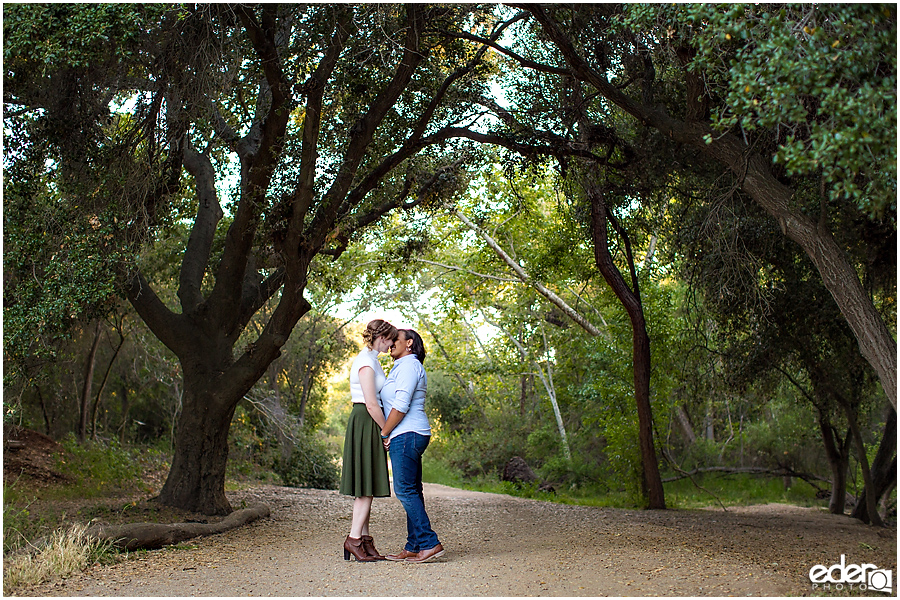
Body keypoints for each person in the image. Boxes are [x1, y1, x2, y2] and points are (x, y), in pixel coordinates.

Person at [380, 328, 445, 563]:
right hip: (409, 433)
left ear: (408, 343)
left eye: (394, 339)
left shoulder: (408, 366)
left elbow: (401, 404)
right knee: (413, 490)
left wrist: (384, 432)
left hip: (407, 434)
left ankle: (429, 542)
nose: (389, 344)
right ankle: (414, 545)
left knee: (405, 490)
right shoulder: (403, 366)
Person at [340, 319, 398, 562]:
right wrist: (386, 429)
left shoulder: (372, 359)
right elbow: (371, 402)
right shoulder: (366, 362)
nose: (393, 344)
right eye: (391, 340)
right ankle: (353, 540)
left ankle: (364, 540)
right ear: (381, 337)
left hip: (368, 419)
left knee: (367, 484)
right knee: (365, 487)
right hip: (366, 418)